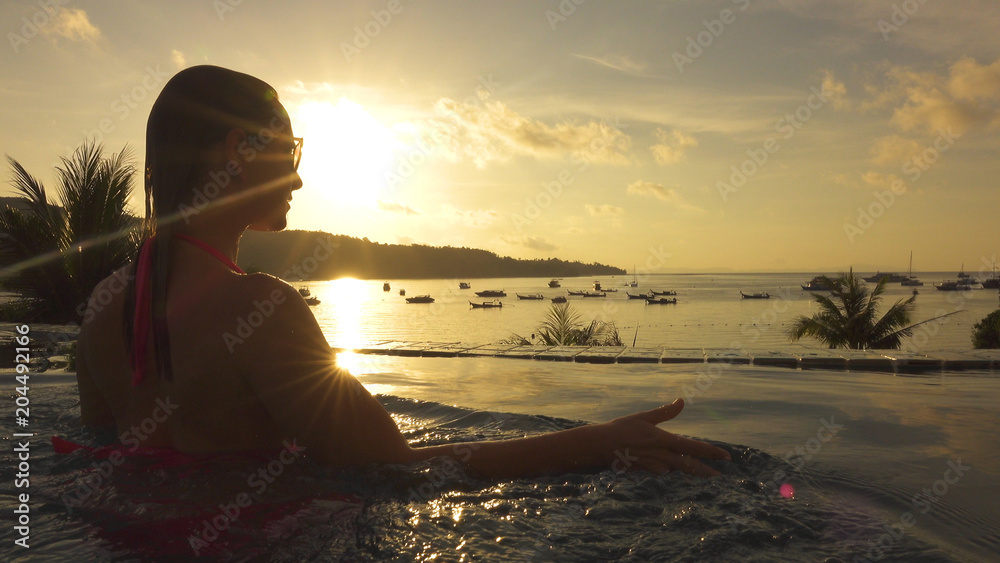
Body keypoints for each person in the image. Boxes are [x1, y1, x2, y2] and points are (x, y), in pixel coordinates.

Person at [75, 65, 731, 479]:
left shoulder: (103, 311)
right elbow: (404, 472)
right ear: (236, 151)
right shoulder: (259, 312)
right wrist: (599, 439)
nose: (300, 174)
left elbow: (108, 453)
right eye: (290, 147)